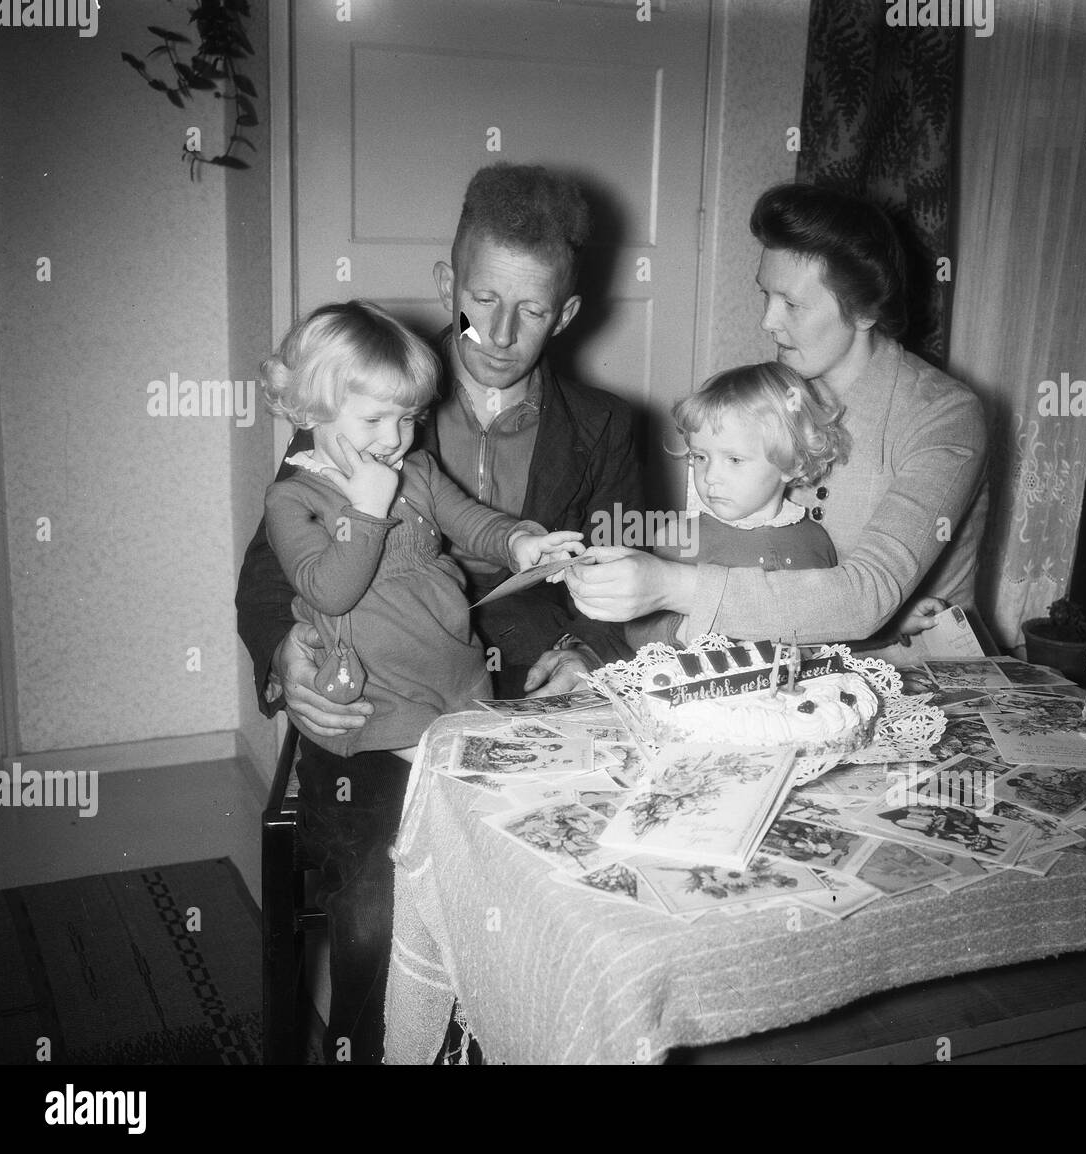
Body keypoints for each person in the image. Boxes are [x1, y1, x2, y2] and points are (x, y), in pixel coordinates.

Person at [234, 164, 641, 1063]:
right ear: (446, 285)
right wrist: (285, 658)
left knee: (585, 901)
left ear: (566, 315)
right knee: (382, 918)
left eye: (530, 311)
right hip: (374, 709)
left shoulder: (609, 428)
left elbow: (615, 576)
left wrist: (583, 652)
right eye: (480, 298)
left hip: (524, 710)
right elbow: (269, 580)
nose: (497, 333)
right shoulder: (364, 400)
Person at [562, 182, 989, 649]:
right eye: (765, 296)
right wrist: (592, 649)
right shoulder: (762, 400)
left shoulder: (945, 415)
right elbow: (703, 560)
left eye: (792, 304)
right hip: (769, 679)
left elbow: (867, 597)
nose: (767, 321)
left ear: (865, 311)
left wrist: (668, 585)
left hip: (924, 683)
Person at [260, 300, 583, 762]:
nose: (394, 439)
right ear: (309, 412)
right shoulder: (292, 499)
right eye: (373, 420)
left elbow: (470, 520)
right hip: (381, 690)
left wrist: (518, 541)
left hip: (456, 658)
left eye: (408, 418)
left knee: (488, 767)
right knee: (460, 780)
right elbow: (329, 593)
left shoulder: (418, 470)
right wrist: (368, 509)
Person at [625, 360, 849, 648]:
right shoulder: (680, 538)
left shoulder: (816, 540)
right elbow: (638, 628)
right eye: (700, 457)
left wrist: (892, 624)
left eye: (734, 459)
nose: (710, 477)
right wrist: (684, 631)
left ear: (791, 463)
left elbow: (836, 625)